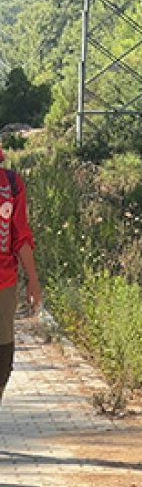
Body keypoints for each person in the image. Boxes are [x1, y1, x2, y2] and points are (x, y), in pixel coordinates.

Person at [0, 146, 40, 407]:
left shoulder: (11, 184)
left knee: (3, 353)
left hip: (4, 282)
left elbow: (20, 235)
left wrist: (33, 281)